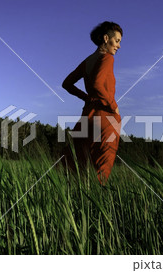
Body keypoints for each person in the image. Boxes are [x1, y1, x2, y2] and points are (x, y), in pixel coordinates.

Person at [62, 21, 123, 185]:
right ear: (105, 38)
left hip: (87, 115)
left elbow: (66, 84)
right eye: (116, 41)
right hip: (106, 116)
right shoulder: (107, 58)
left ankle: (75, 202)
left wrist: (86, 98)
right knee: (102, 168)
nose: (118, 46)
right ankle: (96, 205)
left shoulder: (88, 61)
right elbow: (97, 83)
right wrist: (112, 105)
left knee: (76, 164)